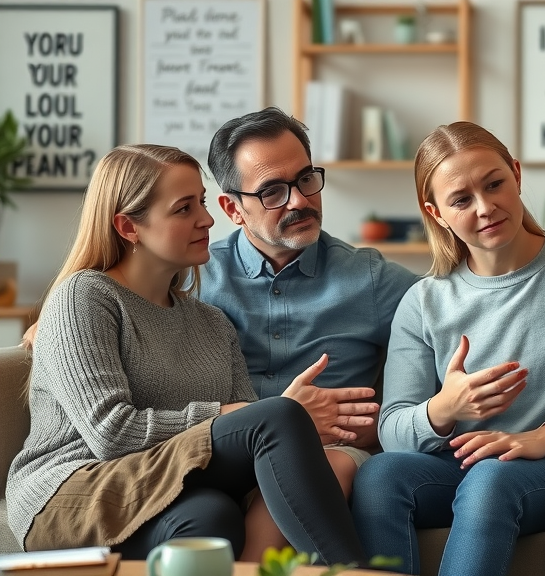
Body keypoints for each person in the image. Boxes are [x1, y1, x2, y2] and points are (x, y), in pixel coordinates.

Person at [5, 145, 367, 565]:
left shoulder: (212, 323)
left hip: (164, 487)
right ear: (128, 227)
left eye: (202, 202)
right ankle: (355, 573)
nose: (208, 219)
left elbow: (244, 438)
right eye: (183, 209)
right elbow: (111, 433)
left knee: (210, 517)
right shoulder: (85, 296)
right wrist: (248, 414)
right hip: (72, 491)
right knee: (280, 415)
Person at [349, 121, 545, 576]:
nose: (486, 207)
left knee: (491, 478)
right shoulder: (424, 300)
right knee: (378, 477)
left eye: (495, 184)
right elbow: (393, 428)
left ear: (516, 173)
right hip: (458, 464)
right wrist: (443, 408)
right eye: (461, 200)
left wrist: (541, 437)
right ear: (436, 213)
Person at [200, 108, 419, 551]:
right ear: (232, 209)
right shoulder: (194, 277)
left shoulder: (371, 279)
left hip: (331, 454)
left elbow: (459, 310)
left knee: (312, 474)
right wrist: (45, 329)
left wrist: (389, 423)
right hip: (224, 453)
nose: (299, 200)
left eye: (305, 179)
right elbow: (110, 297)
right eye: (272, 192)